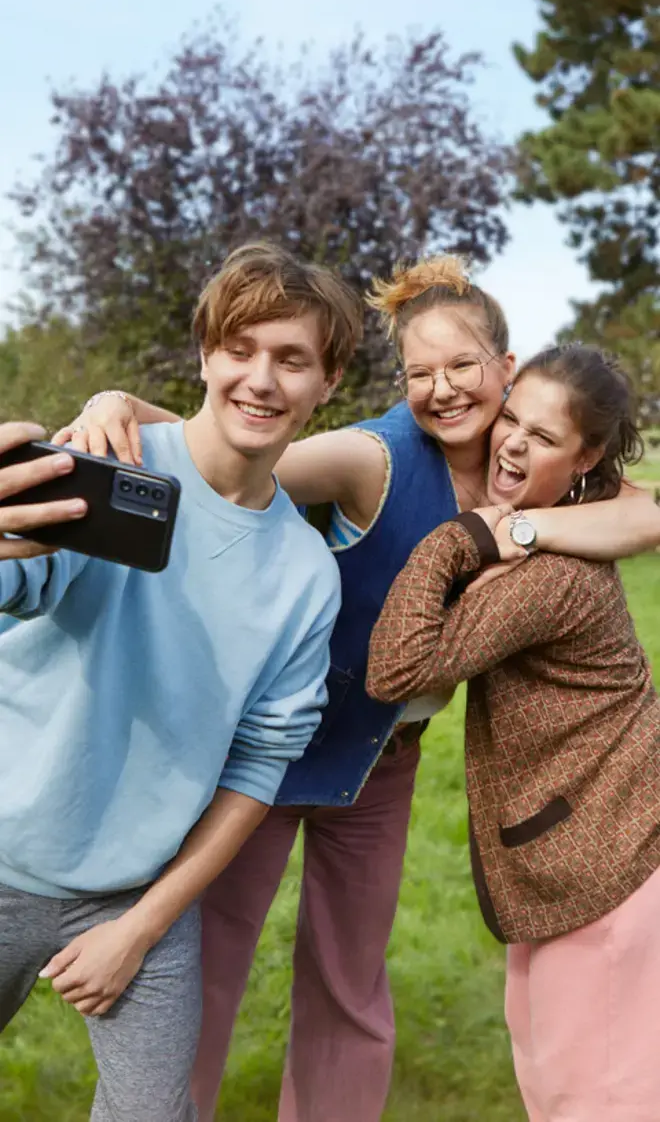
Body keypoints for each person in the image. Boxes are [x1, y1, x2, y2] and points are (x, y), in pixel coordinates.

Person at [59, 257, 660, 1122]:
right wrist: (123, 407)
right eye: (420, 373)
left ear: (508, 370)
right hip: (273, 754)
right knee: (210, 963)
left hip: (383, 769)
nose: (443, 389)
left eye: (462, 367)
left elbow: (644, 512)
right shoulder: (369, 456)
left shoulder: (525, 468)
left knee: (348, 980)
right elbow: (232, 446)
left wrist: (522, 524)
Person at [0, 241, 360, 1121]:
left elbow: (255, 768)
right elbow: (17, 583)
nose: (262, 379)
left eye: (292, 359)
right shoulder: (108, 463)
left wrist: (139, 927)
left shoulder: (307, 575)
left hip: (134, 893)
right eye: (241, 349)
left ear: (328, 385)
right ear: (205, 354)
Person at [367, 343, 660, 1122]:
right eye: (511, 420)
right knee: (556, 1081)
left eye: (546, 437)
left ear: (587, 457)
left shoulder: (551, 573)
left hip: (604, 867)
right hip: (579, 860)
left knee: (597, 1097)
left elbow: (395, 670)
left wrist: (465, 536)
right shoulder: (564, 530)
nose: (514, 444)